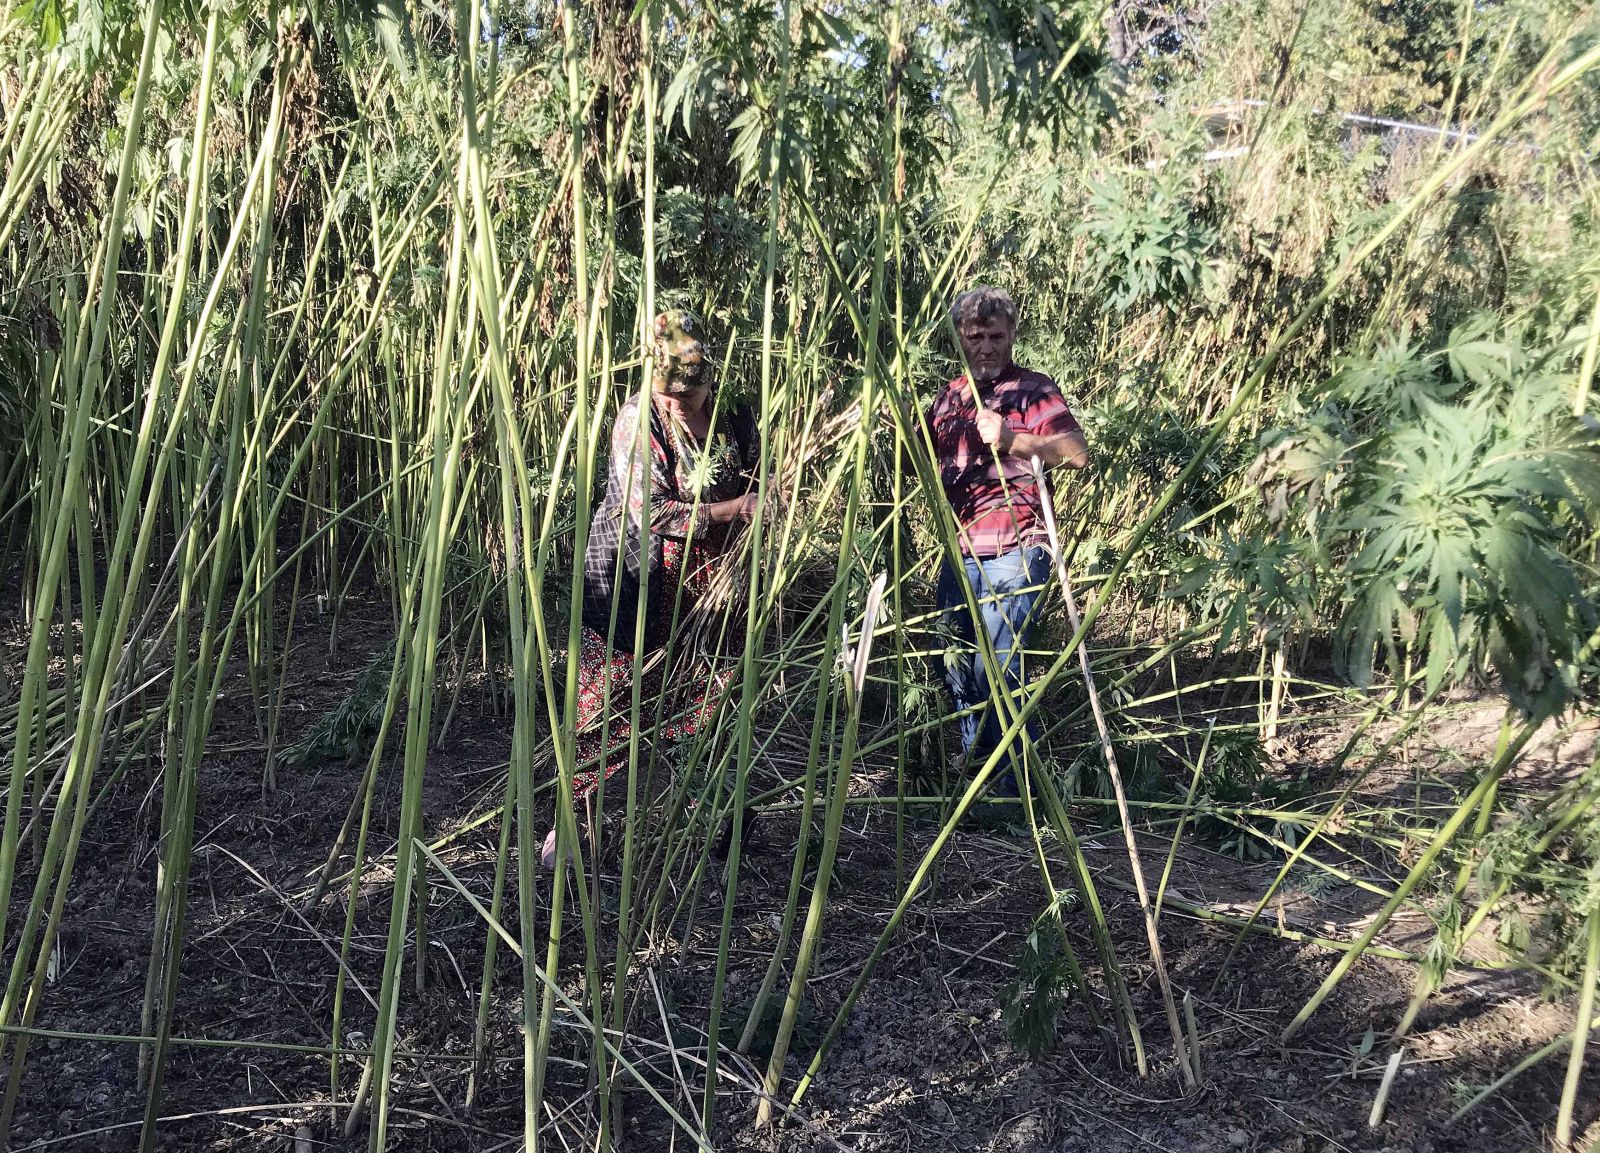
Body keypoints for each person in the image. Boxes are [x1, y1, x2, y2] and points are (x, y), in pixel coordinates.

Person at [547, 310, 759, 868]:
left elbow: (758, 475)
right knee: (606, 701)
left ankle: (713, 814)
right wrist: (733, 510)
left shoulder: (733, 410)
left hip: (710, 585)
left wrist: (764, 505)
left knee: (708, 696)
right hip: (632, 576)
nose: (679, 405)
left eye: (690, 395)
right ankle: (573, 826)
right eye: (670, 395)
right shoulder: (637, 421)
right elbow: (651, 512)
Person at [922, 285, 1089, 791]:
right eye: (976, 336)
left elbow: (1076, 452)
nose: (987, 347)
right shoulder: (949, 397)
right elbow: (923, 464)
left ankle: (1012, 789)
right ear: (959, 338)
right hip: (962, 549)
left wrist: (1014, 439)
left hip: (1017, 548)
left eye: (996, 336)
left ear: (1012, 335)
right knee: (957, 666)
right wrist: (901, 436)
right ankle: (978, 775)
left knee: (1000, 669)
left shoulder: (1034, 390)